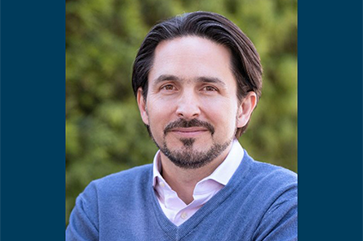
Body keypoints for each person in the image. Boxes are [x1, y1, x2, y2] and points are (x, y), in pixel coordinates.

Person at [66, 11, 297, 241]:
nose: (187, 109)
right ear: (144, 105)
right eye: (168, 87)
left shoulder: (285, 204)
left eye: (209, 88)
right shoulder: (99, 205)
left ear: (244, 108)